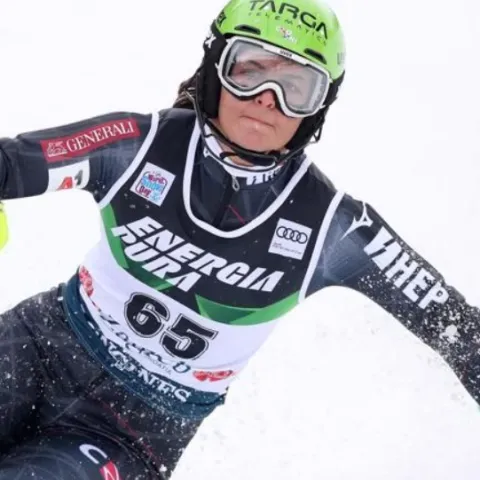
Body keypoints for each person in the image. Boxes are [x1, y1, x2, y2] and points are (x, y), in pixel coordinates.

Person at [0, 0, 478, 478]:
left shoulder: (333, 227)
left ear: (318, 109)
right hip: (34, 350)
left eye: (296, 87)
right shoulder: (135, 146)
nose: (268, 98)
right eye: (249, 71)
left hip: (128, 432)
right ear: (215, 71)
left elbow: (459, 330)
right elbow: (11, 164)